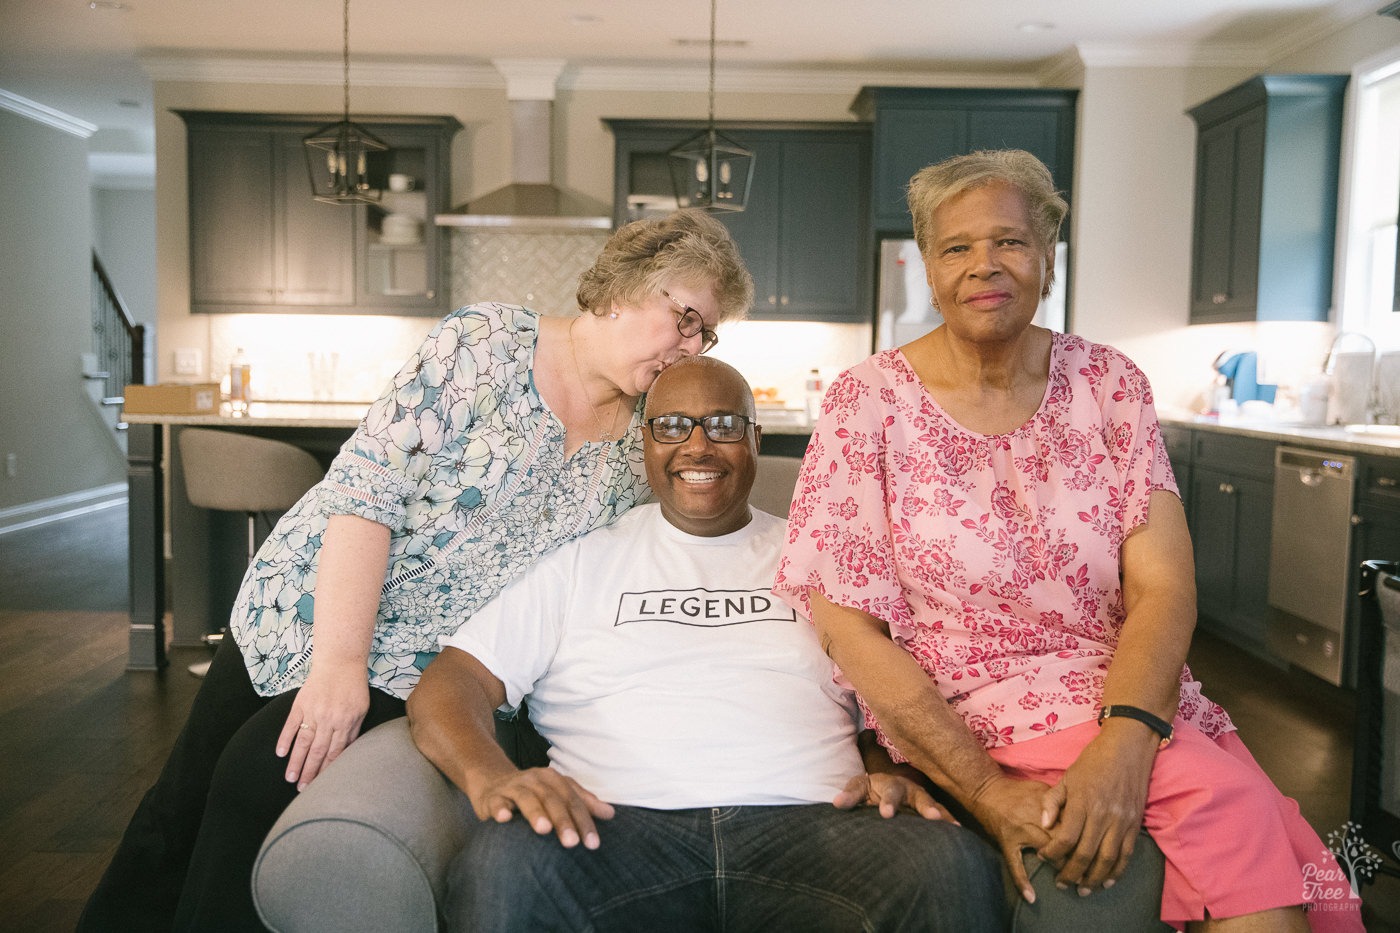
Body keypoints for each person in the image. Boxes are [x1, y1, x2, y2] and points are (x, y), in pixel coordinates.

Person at [79, 208, 754, 932]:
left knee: (255, 782)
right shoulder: (483, 345)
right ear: (625, 284)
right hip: (310, 608)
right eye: (683, 317)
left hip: (424, 667)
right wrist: (338, 664)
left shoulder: (640, 441)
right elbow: (366, 495)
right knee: (177, 807)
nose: (690, 348)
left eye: (705, 334)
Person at [773, 149, 1364, 932]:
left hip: (1119, 690)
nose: (985, 265)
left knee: (1245, 817)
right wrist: (983, 788)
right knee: (1237, 812)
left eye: (1011, 242)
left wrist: (1126, 740)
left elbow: (1163, 586)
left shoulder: (1111, 384)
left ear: (1048, 257)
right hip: (962, 703)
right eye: (957, 247)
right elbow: (848, 627)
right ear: (927, 267)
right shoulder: (867, 401)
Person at [406, 356, 1004, 933]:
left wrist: (884, 765)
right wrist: (492, 777)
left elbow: (887, 693)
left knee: (949, 862)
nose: (697, 446)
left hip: (819, 826)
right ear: (645, 443)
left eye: (723, 425)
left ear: (755, 439)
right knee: (504, 867)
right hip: (608, 832)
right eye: (671, 426)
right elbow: (451, 682)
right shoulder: (580, 564)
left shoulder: (821, 558)